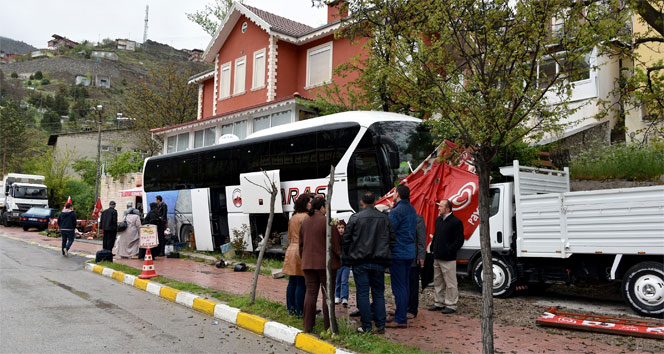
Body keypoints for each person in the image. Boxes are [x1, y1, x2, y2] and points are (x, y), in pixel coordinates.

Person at [342, 192, 395, 334]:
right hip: (379, 261)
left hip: (360, 261)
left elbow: (346, 239)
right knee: (378, 293)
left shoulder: (355, 218)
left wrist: (350, 255)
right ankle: (380, 325)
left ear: (361, 202)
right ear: (375, 202)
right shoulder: (384, 218)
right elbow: (392, 239)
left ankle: (366, 325)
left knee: (363, 293)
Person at [299, 196, 341, 333]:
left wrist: (304, 258)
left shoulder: (305, 221)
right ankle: (329, 326)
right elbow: (336, 245)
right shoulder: (327, 221)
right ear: (322, 207)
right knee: (327, 294)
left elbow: (301, 244)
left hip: (308, 263)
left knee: (310, 293)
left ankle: (307, 325)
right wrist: (341, 257)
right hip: (326, 265)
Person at [386, 184, 417, 329]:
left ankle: (400, 319)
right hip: (409, 252)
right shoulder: (411, 209)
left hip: (398, 252)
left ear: (397, 194)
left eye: (394, 192)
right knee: (404, 285)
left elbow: (389, 231)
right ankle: (401, 312)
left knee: (398, 287)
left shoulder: (396, 212)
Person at [428, 199, 465, 314]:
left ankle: (451, 304)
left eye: (441, 206)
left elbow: (459, 240)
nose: (438, 208)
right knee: (438, 281)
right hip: (437, 256)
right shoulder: (438, 220)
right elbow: (436, 236)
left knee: (450, 282)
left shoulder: (456, 222)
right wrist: (433, 248)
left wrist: (449, 251)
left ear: (448, 209)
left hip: (448, 258)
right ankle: (439, 302)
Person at [282, 194, 311, 317]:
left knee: (292, 281)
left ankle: (291, 309)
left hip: (291, 249)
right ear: (305, 204)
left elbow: (289, 235)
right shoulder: (306, 217)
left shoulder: (293, 217)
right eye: (309, 202)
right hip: (301, 250)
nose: (311, 204)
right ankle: (300, 311)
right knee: (301, 282)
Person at [407, 214, 427, 318]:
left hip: (413, 259)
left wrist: (421, 256)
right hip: (401, 258)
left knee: (413, 285)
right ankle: (404, 307)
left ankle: (412, 309)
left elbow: (421, 239)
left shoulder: (418, 218)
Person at [334, 220, 350, 307]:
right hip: (338, 264)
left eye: (342, 228)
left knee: (344, 281)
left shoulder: (347, 239)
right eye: (339, 228)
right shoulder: (335, 239)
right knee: (337, 281)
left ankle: (344, 298)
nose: (341, 230)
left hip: (346, 263)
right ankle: (337, 296)